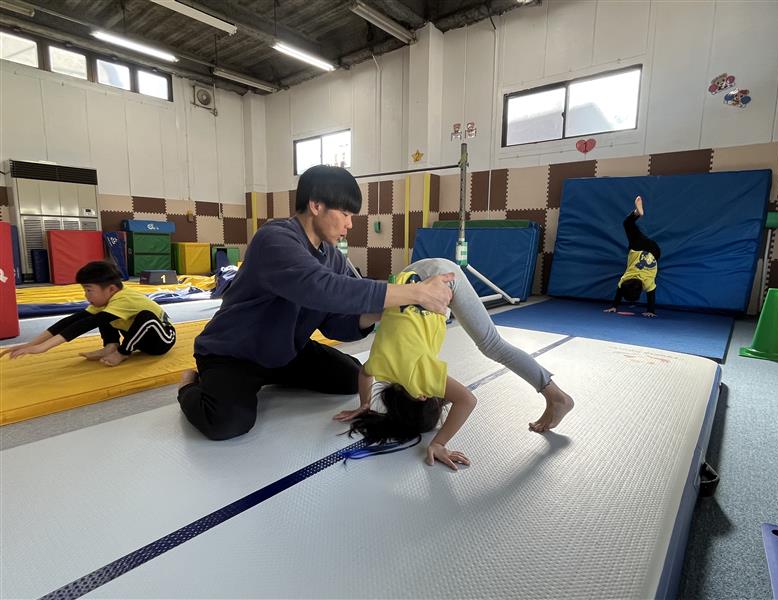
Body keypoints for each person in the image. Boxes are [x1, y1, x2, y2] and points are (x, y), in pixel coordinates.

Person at [177, 165, 454, 441]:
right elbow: (321, 288)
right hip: (234, 353)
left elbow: (337, 323)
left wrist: (381, 312)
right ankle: (188, 385)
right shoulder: (274, 239)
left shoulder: (331, 256)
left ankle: (270, 375)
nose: (350, 224)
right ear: (316, 205)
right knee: (227, 422)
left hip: (284, 351)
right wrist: (415, 293)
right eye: (345, 214)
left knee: (351, 377)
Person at [333, 258, 574, 471]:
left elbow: (467, 400)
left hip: (442, 277)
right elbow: (364, 375)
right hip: (409, 275)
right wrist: (364, 404)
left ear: (421, 396)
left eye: (438, 399)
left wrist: (439, 443)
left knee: (492, 344)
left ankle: (557, 397)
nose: (442, 397)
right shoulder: (380, 364)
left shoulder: (421, 378)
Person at [0, 261, 175, 366]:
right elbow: (74, 320)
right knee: (99, 314)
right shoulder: (108, 298)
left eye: (89, 290)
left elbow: (85, 326)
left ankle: (122, 352)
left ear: (111, 288)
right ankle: (111, 346)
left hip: (161, 340)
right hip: (138, 339)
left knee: (144, 316)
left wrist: (42, 348)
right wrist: (31, 344)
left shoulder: (125, 298)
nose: (86, 296)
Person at [604, 195, 660, 317]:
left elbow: (651, 295)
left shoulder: (648, 283)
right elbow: (619, 291)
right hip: (639, 248)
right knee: (627, 224)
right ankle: (637, 213)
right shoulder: (625, 278)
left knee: (654, 261)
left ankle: (637, 212)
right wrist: (614, 305)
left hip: (655, 251)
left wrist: (651, 310)